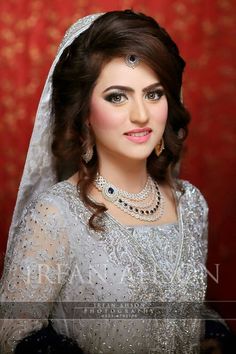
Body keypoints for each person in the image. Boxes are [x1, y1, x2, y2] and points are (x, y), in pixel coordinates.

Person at [0, 10, 209, 353]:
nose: (141, 115)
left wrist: (211, 333)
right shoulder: (55, 216)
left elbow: (185, 305)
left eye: (154, 93)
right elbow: (11, 333)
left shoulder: (191, 203)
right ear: (84, 113)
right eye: (117, 96)